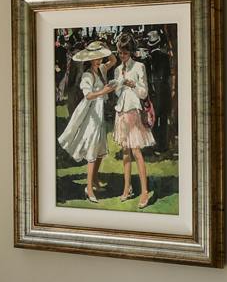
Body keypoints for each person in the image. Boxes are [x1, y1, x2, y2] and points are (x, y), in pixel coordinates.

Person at [56, 40, 115, 202]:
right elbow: (88, 95)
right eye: (95, 58)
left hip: (99, 112)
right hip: (90, 113)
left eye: (99, 57)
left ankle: (94, 180)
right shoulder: (87, 75)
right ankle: (89, 188)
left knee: (100, 148)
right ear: (89, 59)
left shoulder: (102, 69)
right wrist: (104, 90)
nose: (99, 60)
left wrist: (106, 48)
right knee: (92, 150)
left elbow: (113, 61)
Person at [111, 38, 155, 206]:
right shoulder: (117, 70)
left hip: (134, 112)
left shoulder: (139, 67)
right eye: (120, 53)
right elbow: (117, 94)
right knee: (125, 151)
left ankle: (144, 191)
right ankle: (127, 187)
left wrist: (133, 84)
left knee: (136, 151)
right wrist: (119, 85)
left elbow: (144, 93)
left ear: (131, 52)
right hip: (121, 112)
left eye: (125, 53)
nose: (122, 56)